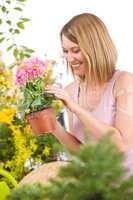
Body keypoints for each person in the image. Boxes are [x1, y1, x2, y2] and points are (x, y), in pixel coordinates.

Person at [45, 13, 133, 170]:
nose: (70, 59)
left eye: (75, 50)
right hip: (96, 188)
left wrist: (75, 108)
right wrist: (52, 125)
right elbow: (82, 152)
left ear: (94, 48)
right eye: (65, 51)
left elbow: (120, 145)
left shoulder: (124, 82)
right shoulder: (71, 91)